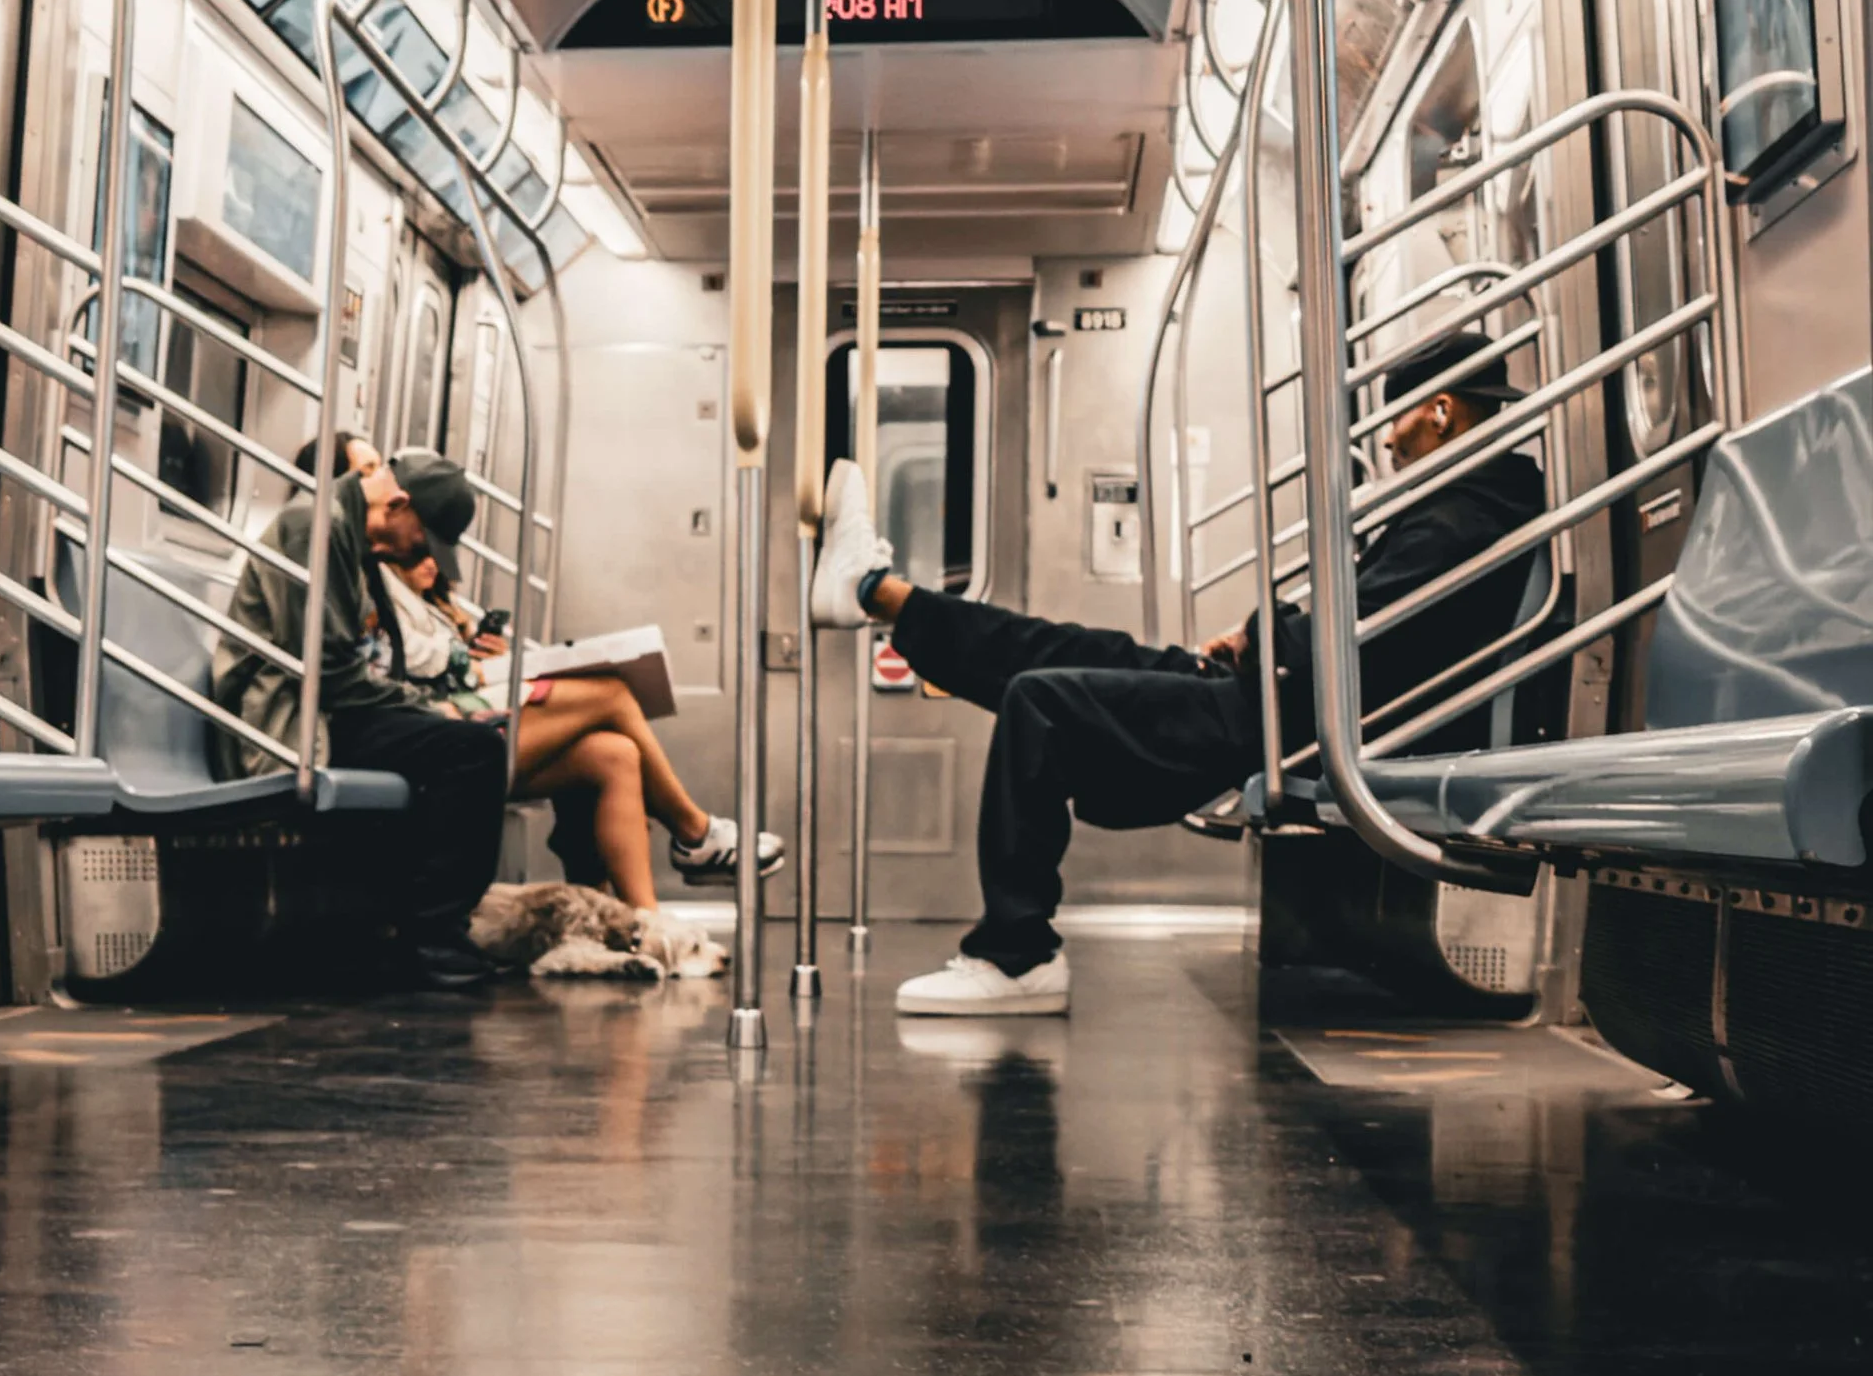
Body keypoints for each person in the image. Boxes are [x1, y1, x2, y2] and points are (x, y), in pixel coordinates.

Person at [810, 327, 1546, 1019]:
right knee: (1068, 650)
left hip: (1292, 721)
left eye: (1397, 422)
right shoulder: (1473, 508)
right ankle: (881, 594)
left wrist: (1266, 635)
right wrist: (1262, 637)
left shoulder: (1460, 521)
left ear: (1440, 411)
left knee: (1042, 698)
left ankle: (1017, 955)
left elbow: (1365, 638)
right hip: (1286, 702)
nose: (1388, 440)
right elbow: (1370, 628)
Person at [376, 445, 777, 906]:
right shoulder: (378, 585)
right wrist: (473, 665)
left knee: (616, 753)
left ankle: (641, 921)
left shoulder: (440, 609)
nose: (427, 564)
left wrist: (486, 654)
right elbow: (409, 666)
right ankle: (693, 832)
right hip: (434, 731)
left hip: (463, 716)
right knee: (610, 694)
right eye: (418, 556)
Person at [213, 440, 506, 993]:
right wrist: (429, 709)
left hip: (318, 709)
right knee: (471, 752)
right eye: (422, 537)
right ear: (398, 504)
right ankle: (434, 937)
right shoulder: (314, 525)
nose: (419, 554)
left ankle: (421, 926)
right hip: (285, 721)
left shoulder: (348, 534)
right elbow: (330, 668)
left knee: (463, 742)